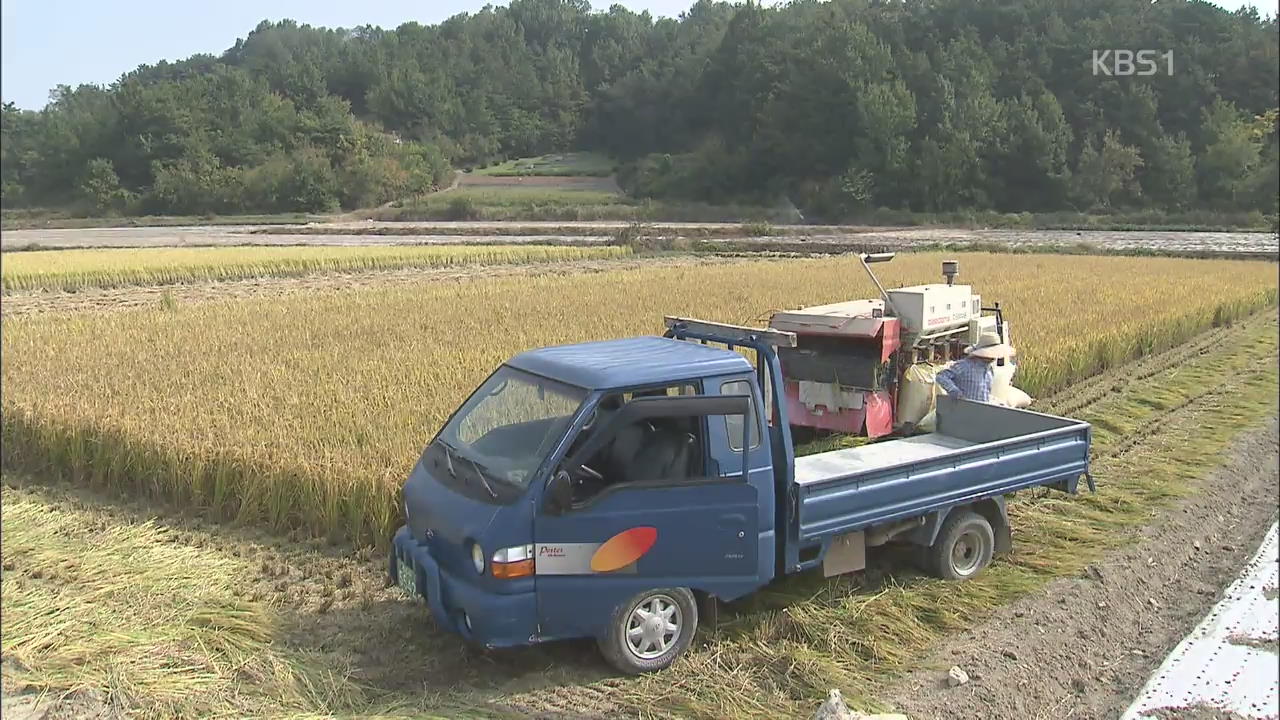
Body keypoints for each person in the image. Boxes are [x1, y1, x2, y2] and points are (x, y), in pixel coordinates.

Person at [934, 331, 1015, 403]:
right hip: (964, 411)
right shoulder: (965, 366)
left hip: (981, 413)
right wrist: (954, 391)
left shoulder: (989, 370)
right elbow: (941, 376)